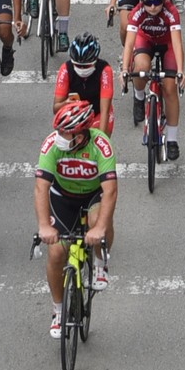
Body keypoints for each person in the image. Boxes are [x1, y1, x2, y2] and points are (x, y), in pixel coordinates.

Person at [35, 99, 118, 335]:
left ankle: (101, 263)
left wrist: (100, 228)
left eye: (65, 133)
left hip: (93, 194)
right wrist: (43, 226)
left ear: (80, 136)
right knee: (57, 252)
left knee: (97, 221)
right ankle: (58, 311)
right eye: (58, 131)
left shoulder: (101, 146)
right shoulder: (51, 145)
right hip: (63, 196)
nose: (59, 136)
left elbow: (110, 191)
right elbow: (41, 187)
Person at [122, 0, 185, 155]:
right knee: (140, 68)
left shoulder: (170, 12)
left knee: (169, 87)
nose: (152, 7)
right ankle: (139, 96)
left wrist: (180, 71)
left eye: (157, 2)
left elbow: (177, 43)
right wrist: (124, 70)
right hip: (146, 41)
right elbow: (129, 43)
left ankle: (172, 139)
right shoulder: (137, 12)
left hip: (167, 45)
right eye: (148, 2)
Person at [51, 33, 118, 132]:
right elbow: (56, 109)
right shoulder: (65, 69)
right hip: (74, 116)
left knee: (97, 137)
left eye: (86, 66)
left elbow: (105, 111)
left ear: (95, 61)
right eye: (77, 65)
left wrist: (102, 139)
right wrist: (65, 103)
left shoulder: (105, 70)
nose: (82, 69)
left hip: (97, 114)